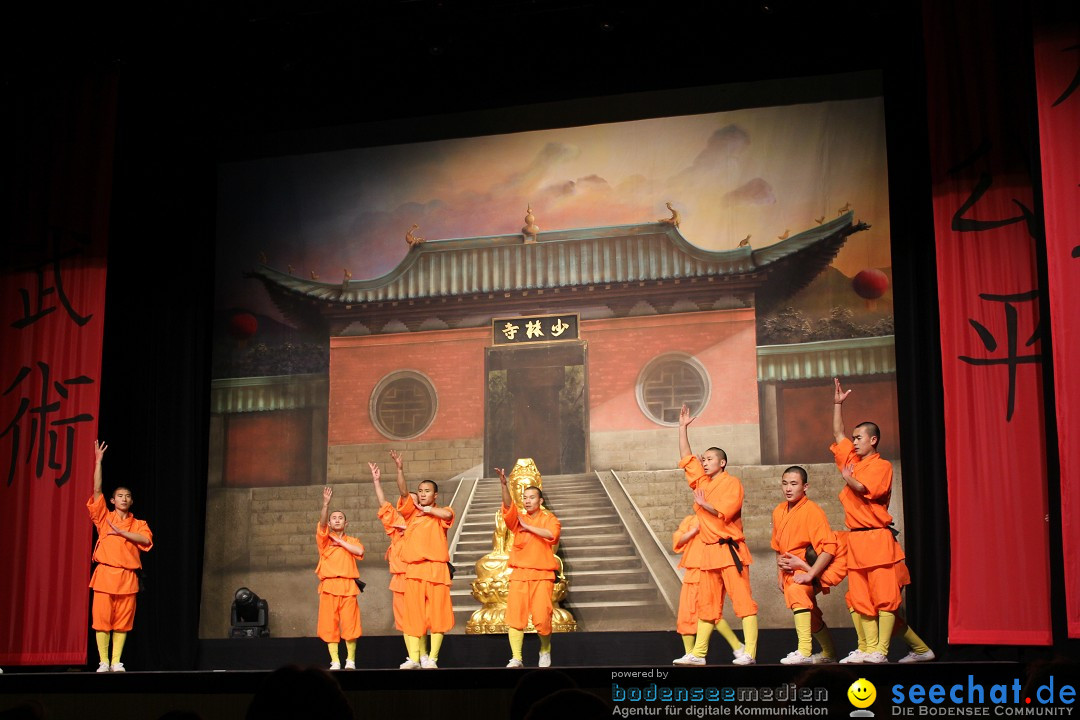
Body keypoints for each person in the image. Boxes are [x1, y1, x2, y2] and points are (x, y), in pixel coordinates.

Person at [830, 378, 933, 663]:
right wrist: (838, 404)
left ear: (873, 440)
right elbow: (838, 433)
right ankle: (868, 647)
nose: (855, 442)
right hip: (857, 539)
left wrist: (847, 477)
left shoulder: (881, 466)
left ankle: (881, 651)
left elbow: (864, 489)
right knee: (860, 597)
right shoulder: (853, 460)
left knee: (885, 597)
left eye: (859, 437)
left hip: (877, 537)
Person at [672, 404, 758, 666]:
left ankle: (750, 653)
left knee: (743, 603)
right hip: (709, 552)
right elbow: (687, 457)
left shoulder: (732, 483)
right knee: (707, 606)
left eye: (709, 459)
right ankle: (698, 654)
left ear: (722, 462)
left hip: (729, 549)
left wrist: (705, 504)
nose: (704, 462)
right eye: (704, 459)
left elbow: (725, 511)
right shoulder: (702, 482)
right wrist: (683, 428)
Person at [87, 440, 153, 672]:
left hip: (127, 578)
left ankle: (117, 662)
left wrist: (123, 532)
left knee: (123, 622)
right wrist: (98, 462)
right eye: (119, 496)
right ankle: (104, 661)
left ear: (131, 501)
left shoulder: (139, 524)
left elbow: (146, 540)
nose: (124, 498)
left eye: (127, 496)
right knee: (102, 620)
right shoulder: (104, 518)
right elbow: (96, 490)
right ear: (113, 501)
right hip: (105, 575)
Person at [392, 449, 454, 669]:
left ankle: (433, 659)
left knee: (437, 617)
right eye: (420, 491)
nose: (423, 494)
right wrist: (400, 470)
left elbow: (447, 515)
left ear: (435, 495)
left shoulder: (441, 512)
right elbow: (402, 492)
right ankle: (414, 659)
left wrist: (428, 510)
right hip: (415, 570)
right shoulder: (411, 514)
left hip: (437, 570)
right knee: (413, 617)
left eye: (427, 491)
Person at [770, 466, 838, 664]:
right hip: (788, 572)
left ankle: (805, 651)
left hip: (807, 568)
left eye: (794, 484)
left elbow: (829, 548)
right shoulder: (779, 510)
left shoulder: (812, 511)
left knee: (799, 594)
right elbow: (777, 546)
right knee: (812, 614)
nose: (788, 489)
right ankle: (829, 653)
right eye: (785, 483)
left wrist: (810, 574)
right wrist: (779, 573)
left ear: (805, 486)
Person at [496, 466, 561, 668]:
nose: (527, 500)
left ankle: (545, 650)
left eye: (531, 497)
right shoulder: (518, 519)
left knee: (542, 618)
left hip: (542, 574)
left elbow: (552, 535)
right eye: (525, 497)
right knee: (515, 618)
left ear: (540, 501)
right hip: (520, 574)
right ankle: (516, 657)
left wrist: (528, 527)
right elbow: (508, 506)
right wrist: (504, 485)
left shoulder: (549, 518)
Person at [369, 462, 428, 665]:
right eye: (405, 501)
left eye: (412, 501)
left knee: (420, 619)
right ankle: (413, 657)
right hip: (400, 580)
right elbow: (383, 504)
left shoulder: (424, 522)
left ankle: (423, 654)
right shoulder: (395, 525)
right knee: (404, 621)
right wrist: (376, 481)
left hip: (418, 576)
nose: (408, 505)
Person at [672, 514, 750, 662]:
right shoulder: (690, 519)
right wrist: (694, 531)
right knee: (686, 614)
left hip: (708, 569)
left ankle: (736, 646)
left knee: (709, 612)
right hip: (691, 572)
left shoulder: (720, 519)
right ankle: (690, 653)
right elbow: (678, 540)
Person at [315, 486, 364, 670]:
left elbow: (359, 551)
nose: (337, 520)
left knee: (350, 625)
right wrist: (325, 504)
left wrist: (341, 542)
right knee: (330, 626)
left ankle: (350, 660)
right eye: (333, 518)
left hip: (348, 586)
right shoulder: (324, 540)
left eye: (340, 518)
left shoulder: (352, 541)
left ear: (346, 523)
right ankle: (335, 661)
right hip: (329, 586)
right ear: (330, 522)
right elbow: (321, 524)